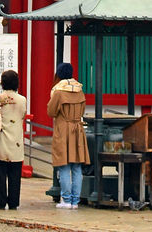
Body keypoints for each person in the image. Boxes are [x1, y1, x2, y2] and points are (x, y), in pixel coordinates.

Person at [48, 60, 89, 210]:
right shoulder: (80, 90)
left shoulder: (58, 92)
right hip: (77, 129)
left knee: (64, 166)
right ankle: (75, 201)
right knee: (77, 167)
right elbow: (83, 110)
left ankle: (65, 199)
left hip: (63, 129)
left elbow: (51, 112)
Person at [0, 68, 27, 211]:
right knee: (15, 173)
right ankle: (14, 202)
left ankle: (0, 201)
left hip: (1, 140)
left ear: (2, 83)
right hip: (16, 141)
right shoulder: (22, 100)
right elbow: (22, 115)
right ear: (16, 83)